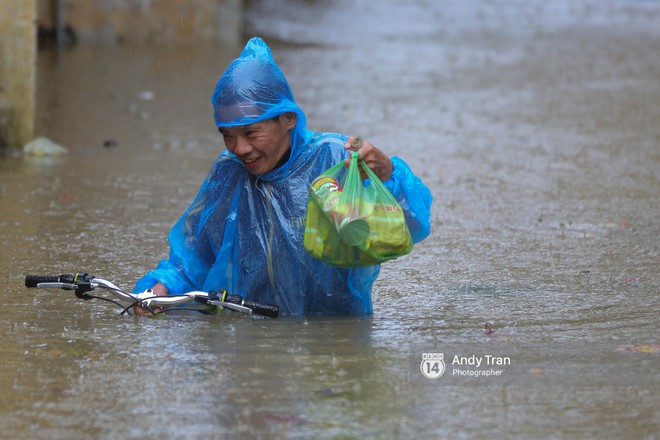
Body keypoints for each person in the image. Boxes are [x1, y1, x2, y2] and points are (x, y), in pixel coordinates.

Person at [133, 37, 432, 316]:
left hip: (337, 334)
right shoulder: (228, 174)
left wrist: (388, 175)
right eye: (228, 136)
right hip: (258, 335)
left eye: (251, 133)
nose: (240, 148)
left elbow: (410, 226)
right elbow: (194, 258)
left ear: (288, 119)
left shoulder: (334, 159)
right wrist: (159, 290)